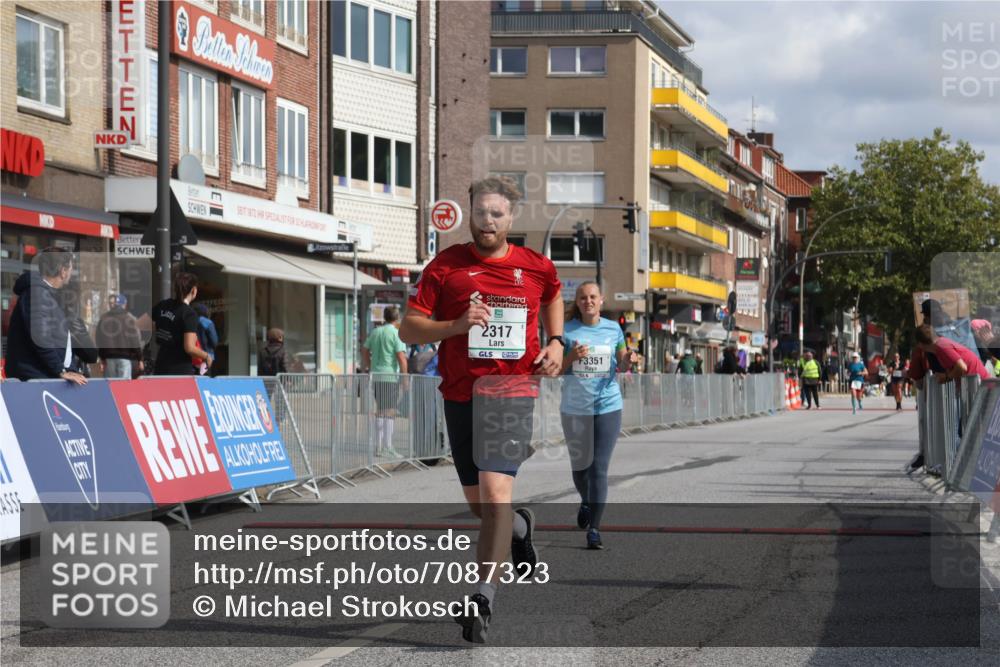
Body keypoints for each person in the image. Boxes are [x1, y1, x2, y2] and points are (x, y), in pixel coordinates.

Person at [399, 177, 563, 643]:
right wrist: (455, 325)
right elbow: (410, 330)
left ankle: (483, 597)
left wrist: (555, 342)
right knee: (480, 506)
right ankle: (519, 524)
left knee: (494, 497)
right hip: (460, 394)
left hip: (511, 391)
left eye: (496, 214)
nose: (486, 221)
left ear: (511, 218)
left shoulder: (535, 267)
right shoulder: (446, 266)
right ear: (469, 214)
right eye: (480, 212)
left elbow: (552, 296)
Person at [560, 281, 633, 550]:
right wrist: (570, 357)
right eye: (583, 297)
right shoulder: (565, 331)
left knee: (599, 468)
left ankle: (594, 529)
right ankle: (586, 501)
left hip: (607, 406)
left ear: (601, 300)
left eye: (592, 297)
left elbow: (622, 360)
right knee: (581, 470)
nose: (588, 301)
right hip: (574, 408)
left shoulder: (613, 329)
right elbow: (554, 370)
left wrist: (628, 360)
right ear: (577, 302)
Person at [5, 247, 87, 385]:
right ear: (63, 271)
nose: (71, 273)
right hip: (34, 379)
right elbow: (40, 336)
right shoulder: (37, 293)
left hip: (44, 375)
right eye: (71, 269)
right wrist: (60, 370)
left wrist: (68, 368)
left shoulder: (47, 294)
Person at [363, 306, 409, 458]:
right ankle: (388, 446)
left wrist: (369, 366)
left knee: (380, 410)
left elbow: (364, 349)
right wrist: (405, 379)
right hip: (390, 376)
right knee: (389, 412)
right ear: (397, 319)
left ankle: (378, 446)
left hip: (376, 376)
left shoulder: (376, 332)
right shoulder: (396, 333)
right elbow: (401, 359)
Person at [152, 272, 211, 375]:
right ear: (194, 290)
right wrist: (206, 356)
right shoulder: (189, 314)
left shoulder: (163, 305)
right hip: (180, 369)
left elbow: (144, 324)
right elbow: (189, 347)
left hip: (160, 364)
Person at [914, 323, 990, 382]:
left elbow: (962, 367)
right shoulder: (940, 346)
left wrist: (947, 377)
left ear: (920, 344)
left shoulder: (942, 346)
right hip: (975, 384)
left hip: (979, 384)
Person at [96, 293, 143, 379]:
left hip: (109, 358)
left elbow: (99, 340)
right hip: (125, 358)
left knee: (110, 386)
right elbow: (135, 340)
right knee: (124, 388)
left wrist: (102, 358)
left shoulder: (104, 318)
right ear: (124, 304)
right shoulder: (129, 318)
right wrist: (139, 358)